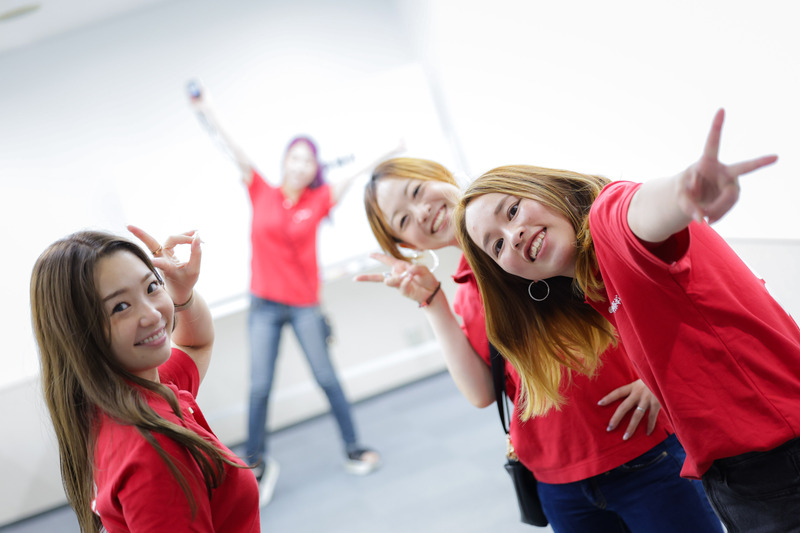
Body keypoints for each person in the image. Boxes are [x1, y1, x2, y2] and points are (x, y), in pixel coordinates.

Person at [456, 109, 800, 532]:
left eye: (512, 211)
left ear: (549, 189)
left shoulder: (607, 220)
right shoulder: (593, 282)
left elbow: (634, 212)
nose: (514, 236)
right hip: (740, 465)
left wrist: (684, 192)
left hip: (779, 454)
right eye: (496, 246)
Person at [356, 157, 722, 532]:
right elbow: (483, 393)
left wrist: (658, 379)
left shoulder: (542, 234)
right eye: (403, 220)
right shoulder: (468, 294)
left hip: (645, 451)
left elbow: (655, 293)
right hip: (559, 483)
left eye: (417, 191)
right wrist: (433, 302)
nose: (420, 212)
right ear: (408, 244)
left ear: (440, 175)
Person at [190, 92, 399, 507]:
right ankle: (255, 465)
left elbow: (356, 170)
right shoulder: (260, 190)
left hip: (304, 305)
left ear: (314, 169)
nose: (301, 166)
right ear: (285, 161)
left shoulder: (319, 200)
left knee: (327, 378)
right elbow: (234, 147)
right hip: (264, 306)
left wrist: (391, 149)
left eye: (309, 161)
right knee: (260, 387)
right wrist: (207, 109)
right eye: (296, 158)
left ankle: (354, 448)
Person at [30, 226, 260, 532]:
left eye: (151, 287)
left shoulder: (127, 396)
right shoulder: (154, 448)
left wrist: (182, 293)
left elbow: (196, 343)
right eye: (120, 307)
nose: (152, 314)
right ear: (79, 335)